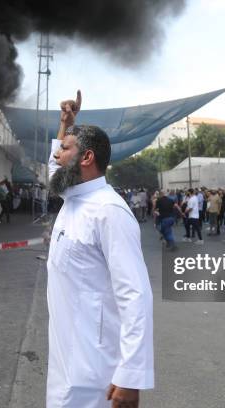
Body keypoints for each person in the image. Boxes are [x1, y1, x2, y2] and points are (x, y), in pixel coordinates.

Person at [46, 91, 154, 407]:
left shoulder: (109, 211)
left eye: (64, 149)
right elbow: (54, 173)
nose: (55, 155)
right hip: (66, 355)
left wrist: (130, 376)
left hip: (97, 370)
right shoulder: (74, 196)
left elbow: (135, 295)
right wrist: (65, 124)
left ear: (87, 158)